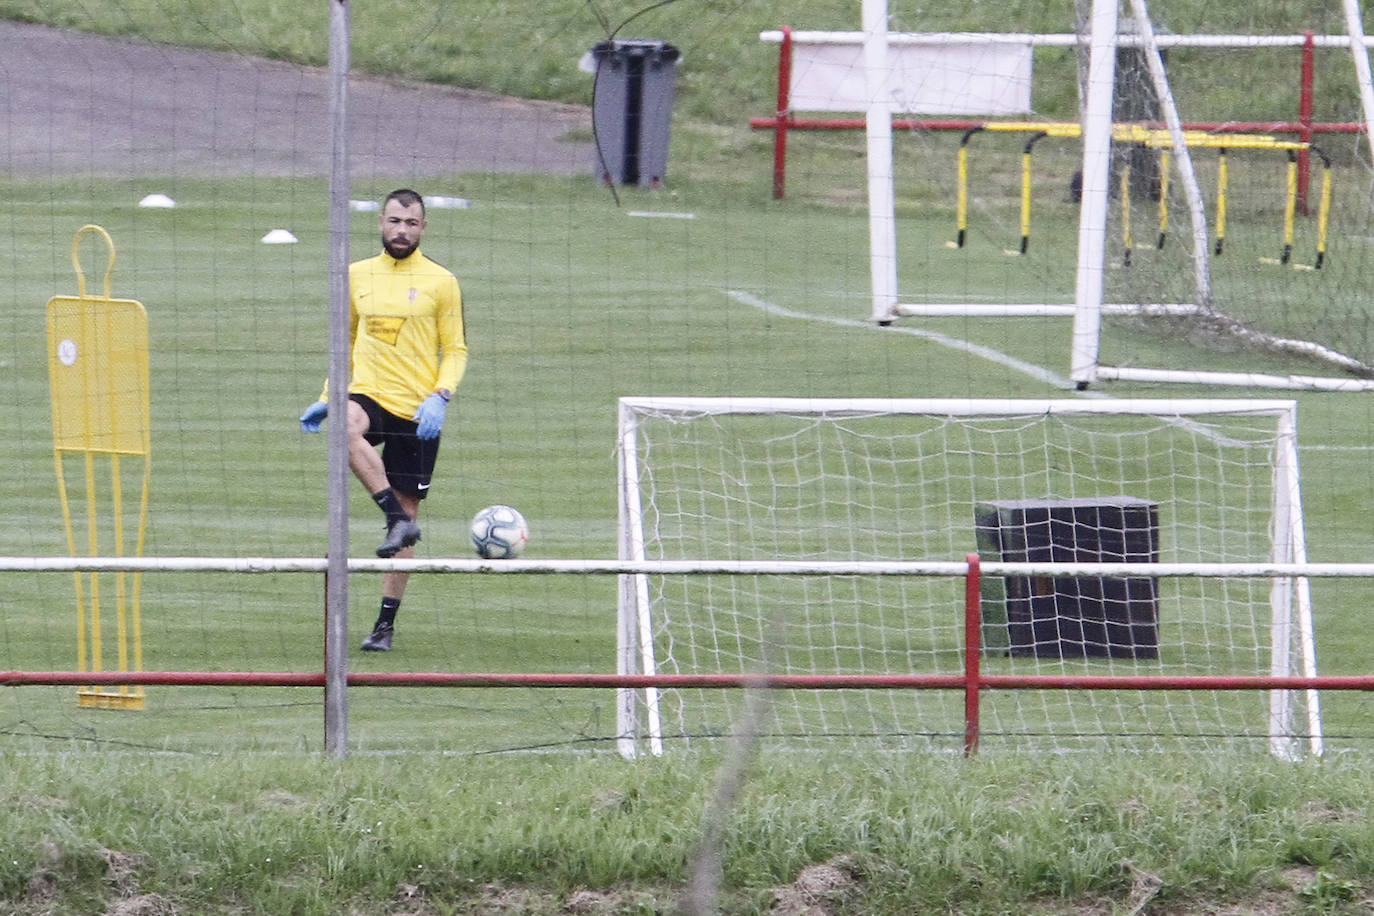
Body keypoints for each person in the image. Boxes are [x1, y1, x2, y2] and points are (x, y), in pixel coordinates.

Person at [299, 188, 468, 652]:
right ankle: (393, 518)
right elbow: (344, 341)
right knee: (344, 429)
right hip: (368, 394)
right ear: (380, 222)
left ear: (423, 228)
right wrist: (327, 396)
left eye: (411, 224)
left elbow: (455, 349)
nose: (401, 230)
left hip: (418, 411)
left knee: (410, 511)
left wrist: (441, 395)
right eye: (394, 221)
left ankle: (384, 625)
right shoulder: (356, 275)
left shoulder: (441, 281)